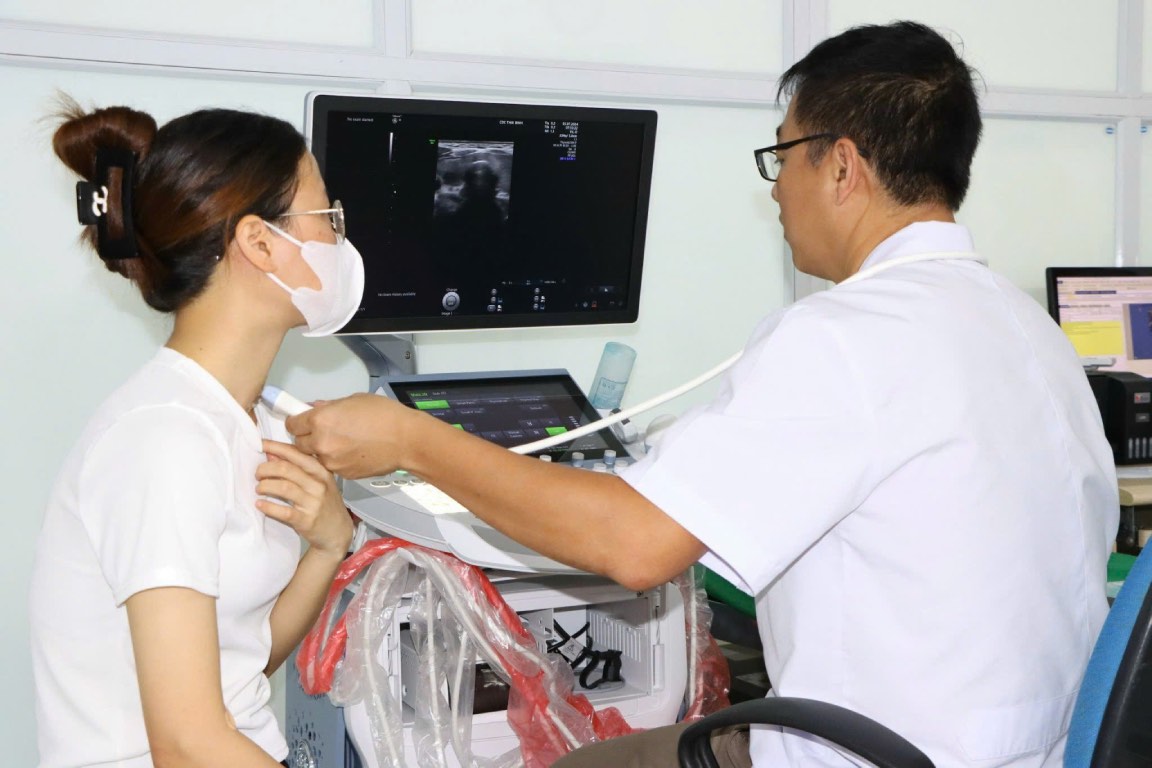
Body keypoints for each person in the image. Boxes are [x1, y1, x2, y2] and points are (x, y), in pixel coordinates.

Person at [286, 21, 1119, 768]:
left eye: (782, 155)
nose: (775, 188)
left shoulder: (844, 336)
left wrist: (411, 439)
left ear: (841, 165)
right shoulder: (1024, 325)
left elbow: (635, 548)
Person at [29, 102, 362, 767]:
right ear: (260, 243)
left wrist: (329, 547)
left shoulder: (245, 420)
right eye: (327, 219)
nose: (339, 241)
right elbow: (185, 744)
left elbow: (239, 663)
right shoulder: (164, 441)